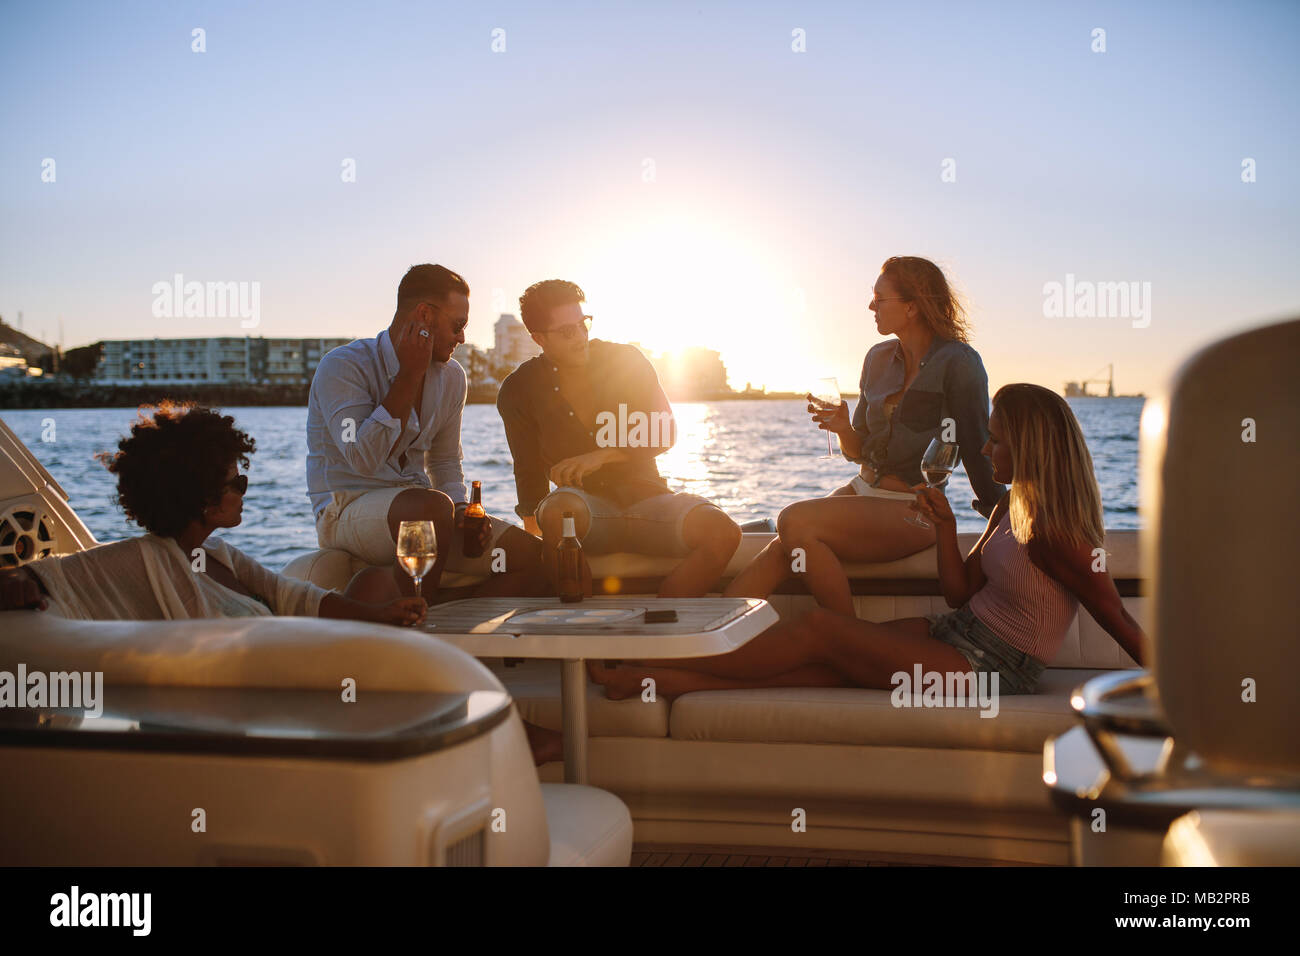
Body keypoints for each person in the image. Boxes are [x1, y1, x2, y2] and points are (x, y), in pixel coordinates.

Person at [590, 384, 1147, 700]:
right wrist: (949, 528)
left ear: (1030, 446)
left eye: (996, 440)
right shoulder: (1009, 507)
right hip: (957, 632)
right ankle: (666, 676)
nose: (985, 450)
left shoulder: (1057, 535)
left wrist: (1180, 698)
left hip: (992, 669)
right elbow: (958, 594)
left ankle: (657, 672)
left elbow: (1115, 618)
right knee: (834, 660)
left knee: (819, 628)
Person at [724, 256, 1004, 615]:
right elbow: (858, 452)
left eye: (879, 297)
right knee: (786, 547)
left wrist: (1008, 519)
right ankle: (710, 639)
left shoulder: (959, 363)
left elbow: (978, 451)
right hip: (861, 490)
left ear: (913, 306)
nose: (871, 306)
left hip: (913, 509)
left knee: (792, 521)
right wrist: (843, 427)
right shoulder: (877, 359)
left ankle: (846, 640)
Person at [0, 403, 423, 626]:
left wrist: (381, 615)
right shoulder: (138, 561)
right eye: (235, 484)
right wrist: (19, 579)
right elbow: (47, 575)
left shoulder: (220, 556)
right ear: (201, 497)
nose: (244, 492)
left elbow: (294, 597)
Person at [306, 264, 547, 602]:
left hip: (428, 515)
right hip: (347, 508)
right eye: (458, 325)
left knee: (538, 558)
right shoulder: (344, 367)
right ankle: (420, 623)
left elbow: (445, 462)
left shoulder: (452, 377)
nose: (462, 338)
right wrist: (409, 376)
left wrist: (463, 511)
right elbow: (361, 458)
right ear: (424, 315)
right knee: (428, 507)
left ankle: (448, 609)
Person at [496, 279, 742, 597]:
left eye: (583, 324)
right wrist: (538, 546)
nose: (581, 337)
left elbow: (664, 430)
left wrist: (601, 455)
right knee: (557, 511)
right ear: (538, 338)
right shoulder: (519, 389)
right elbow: (528, 474)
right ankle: (581, 629)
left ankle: (663, 628)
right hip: (583, 513)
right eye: (567, 332)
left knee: (724, 533)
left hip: (651, 500)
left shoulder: (625, 360)